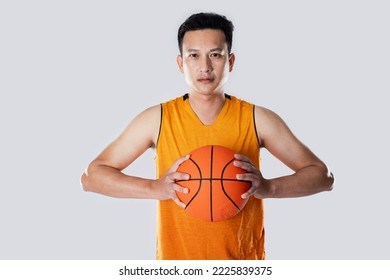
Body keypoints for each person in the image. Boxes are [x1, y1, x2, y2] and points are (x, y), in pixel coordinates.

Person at [81, 12, 334, 260]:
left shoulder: (258, 119)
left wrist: (269, 187)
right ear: (181, 63)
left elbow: (322, 176)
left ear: (231, 61)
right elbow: (92, 177)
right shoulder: (157, 119)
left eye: (215, 55)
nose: (205, 67)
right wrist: (155, 187)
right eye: (194, 56)